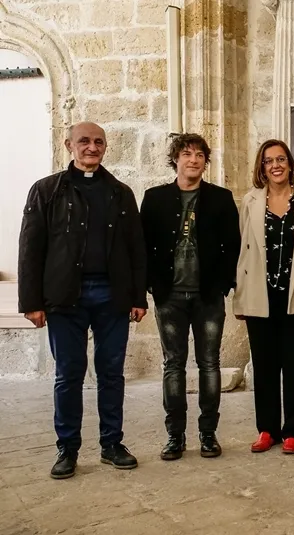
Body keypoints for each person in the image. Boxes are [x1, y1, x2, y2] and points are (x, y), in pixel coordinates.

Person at [18, 122, 147, 479]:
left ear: (105, 147)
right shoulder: (46, 191)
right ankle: (68, 449)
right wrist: (32, 301)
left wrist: (138, 296)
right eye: (85, 141)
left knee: (111, 374)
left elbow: (136, 249)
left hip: (112, 295)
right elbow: (31, 248)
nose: (92, 147)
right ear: (69, 145)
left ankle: (111, 444)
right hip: (64, 296)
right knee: (68, 374)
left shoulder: (120, 193)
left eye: (99, 142)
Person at [140, 133, 241, 461]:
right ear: (176, 159)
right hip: (170, 296)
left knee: (210, 363)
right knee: (174, 365)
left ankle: (208, 434)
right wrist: (153, 285)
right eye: (186, 154)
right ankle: (175, 436)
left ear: (205, 161)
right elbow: (143, 247)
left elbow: (232, 247)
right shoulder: (154, 198)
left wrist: (225, 284)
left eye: (199, 154)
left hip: (208, 296)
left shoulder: (221, 198)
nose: (193, 159)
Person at [234, 139, 294, 455]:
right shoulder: (250, 200)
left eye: (281, 159)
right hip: (261, 295)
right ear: (262, 167)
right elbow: (244, 252)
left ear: (290, 164)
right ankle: (267, 429)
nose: (276, 165)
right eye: (269, 161)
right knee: (265, 367)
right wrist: (240, 298)